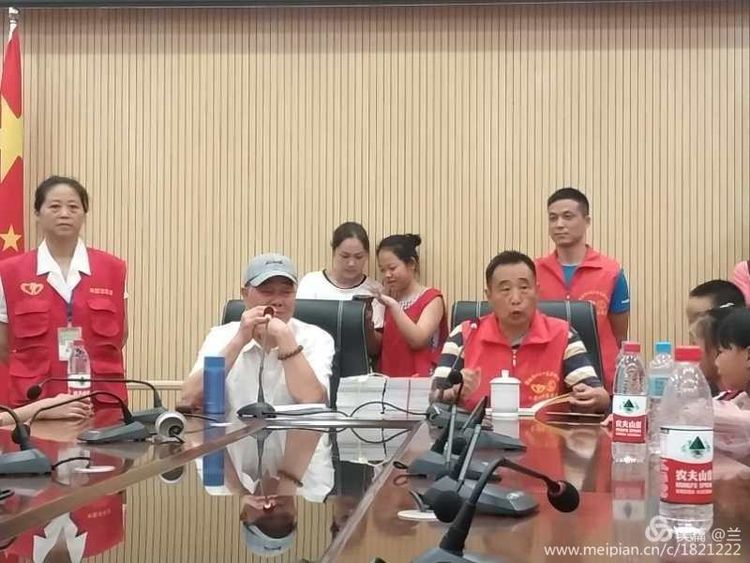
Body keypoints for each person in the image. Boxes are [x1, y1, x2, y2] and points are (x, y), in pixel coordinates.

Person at [0, 175, 128, 411]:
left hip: (102, 403)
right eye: (55, 206)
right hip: (37, 403)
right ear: (37, 213)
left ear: (84, 214)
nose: (64, 213)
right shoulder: (10, 272)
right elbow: (4, 345)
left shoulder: (113, 269)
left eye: (73, 207)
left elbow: (120, 337)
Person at [434, 251, 610, 413]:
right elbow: (434, 397)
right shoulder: (465, 334)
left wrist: (598, 398)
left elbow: (596, 394)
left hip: (548, 433)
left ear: (537, 292)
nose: (516, 299)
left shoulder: (563, 335)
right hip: (479, 434)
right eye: (505, 290)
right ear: (489, 296)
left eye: (524, 288)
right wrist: (455, 392)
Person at [181, 253, 334, 413]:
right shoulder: (220, 337)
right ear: (245, 294)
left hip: (295, 430)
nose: (277, 301)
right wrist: (239, 340)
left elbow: (312, 400)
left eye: (286, 292)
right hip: (234, 429)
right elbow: (191, 398)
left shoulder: (316, 338)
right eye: (267, 292)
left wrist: (284, 335)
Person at [535, 187, 630, 391]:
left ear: (587, 221)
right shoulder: (534, 272)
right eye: (553, 218)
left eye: (568, 216)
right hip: (547, 377)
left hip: (600, 380)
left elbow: (619, 334)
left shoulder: (611, 272)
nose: (559, 224)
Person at [297, 221, 384, 355]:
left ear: (367, 256)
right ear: (334, 252)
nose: (351, 263)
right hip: (314, 359)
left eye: (358, 257)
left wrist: (367, 326)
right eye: (344, 256)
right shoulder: (311, 282)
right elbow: (297, 330)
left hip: (357, 362)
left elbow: (376, 349)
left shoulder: (374, 290)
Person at [375, 234, 447, 377]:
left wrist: (393, 305)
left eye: (392, 268)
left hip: (420, 380)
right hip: (389, 379)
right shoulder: (387, 300)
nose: (387, 275)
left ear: (412, 264)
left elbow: (418, 340)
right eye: (383, 270)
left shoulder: (432, 298)